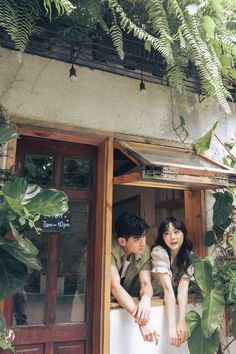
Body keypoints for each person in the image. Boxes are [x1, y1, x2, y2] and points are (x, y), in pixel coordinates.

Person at [111, 212, 159, 345]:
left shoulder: (144, 250)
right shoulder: (108, 249)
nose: (143, 243)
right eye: (137, 239)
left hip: (121, 305)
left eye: (143, 236)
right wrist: (142, 321)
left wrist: (146, 299)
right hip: (89, 303)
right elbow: (114, 286)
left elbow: (145, 283)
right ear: (122, 241)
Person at [151, 216, 194, 348]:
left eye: (176, 232)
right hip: (153, 295)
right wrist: (171, 328)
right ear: (162, 237)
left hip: (168, 297)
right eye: (167, 233)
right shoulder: (159, 252)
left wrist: (181, 321)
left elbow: (183, 288)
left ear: (183, 233)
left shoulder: (188, 256)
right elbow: (168, 290)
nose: (172, 237)